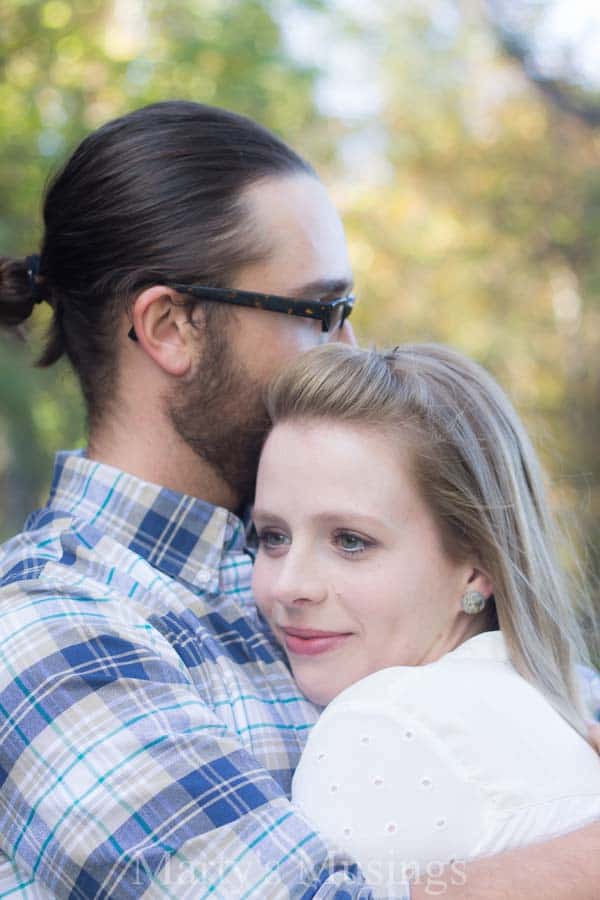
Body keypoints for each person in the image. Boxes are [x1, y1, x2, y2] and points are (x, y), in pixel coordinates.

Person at [0, 101, 598, 899]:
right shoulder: (52, 630)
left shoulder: (326, 571)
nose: (351, 349)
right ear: (171, 326)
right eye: (320, 313)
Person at [252, 342, 600, 893]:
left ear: (476, 565)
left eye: (350, 541)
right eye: (272, 537)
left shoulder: (379, 725)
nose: (289, 585)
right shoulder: (554, 711)